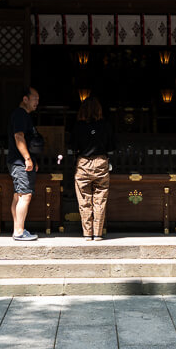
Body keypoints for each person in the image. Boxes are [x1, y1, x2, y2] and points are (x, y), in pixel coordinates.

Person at [72, 94, 115, 241]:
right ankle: (97, 233)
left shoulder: (78, 126)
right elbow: (111, 146)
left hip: (83, 163)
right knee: (100, 198)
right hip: (101, 162)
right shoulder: (106, 125)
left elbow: (73, 146)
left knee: (84, 199)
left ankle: (87, 233)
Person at [9, 85, 44, 241]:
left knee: (18, 195)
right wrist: (27, 158)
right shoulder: (20, 114)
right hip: (19, 162)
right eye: (34, 98)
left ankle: (18, 228)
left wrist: (31, 159)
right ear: (25, 99)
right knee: (25, 195)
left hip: (19, 160)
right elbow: (19, 137)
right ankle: (19, 231)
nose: (37, 101)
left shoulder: (24, 115)